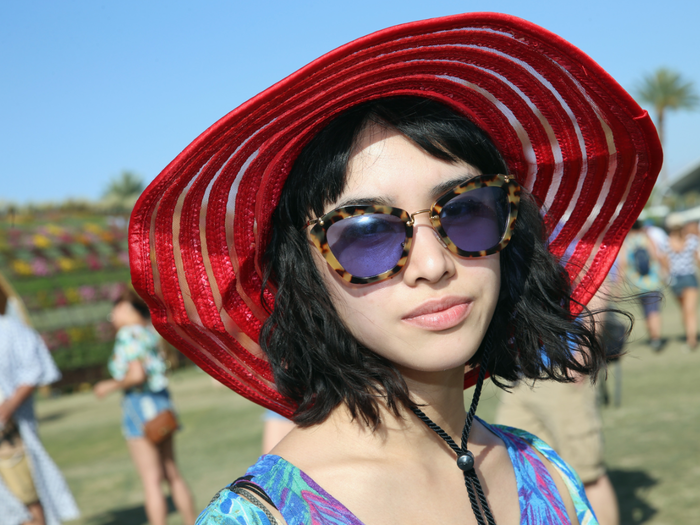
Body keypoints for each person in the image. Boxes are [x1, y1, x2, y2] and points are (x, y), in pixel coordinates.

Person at [128, 13, 661, 525]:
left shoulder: (544, 473)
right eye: (366, 234)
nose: (432, 264)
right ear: (304, 274)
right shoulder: (260, 518)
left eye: (465, 209)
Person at [93, 289, 196, 525]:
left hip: (140, 406)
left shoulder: (128, 334)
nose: (113, 317)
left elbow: (136, 375)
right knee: (173, 474)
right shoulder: (150, 332)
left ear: (128, 309)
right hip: (161, 403)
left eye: (116, 310)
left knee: (151, 480)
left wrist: (107, 386)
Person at [0, 297, 80, 525]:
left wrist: (9, 406)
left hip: (11, 436)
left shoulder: (10, 330)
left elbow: (33, 370)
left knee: (25, 502)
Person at [619, 220, 665, 351]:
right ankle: (656, 338)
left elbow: (623, 263)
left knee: (646, 311)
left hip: (636, 283)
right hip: (652, 281)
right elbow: (655, 256)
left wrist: (619, 283)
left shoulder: (626, 242)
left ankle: (652, 336)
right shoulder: (646, 238)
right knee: (654, 310)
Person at [660, 220, 700, 351]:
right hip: (688, 277)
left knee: (687, 310)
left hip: (676, 278)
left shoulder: (666, 242)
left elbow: (664, 262)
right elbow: (697, 259)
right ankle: (690, 337)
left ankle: (691, 340)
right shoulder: (692, 240)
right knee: (687, 310)